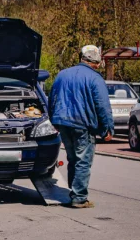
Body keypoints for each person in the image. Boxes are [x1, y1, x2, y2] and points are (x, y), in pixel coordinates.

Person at [49, 45, 114, 209]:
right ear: (97, 62)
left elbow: (52, 98)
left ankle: (74, 192)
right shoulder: (95, 78)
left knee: (72, 159)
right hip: (83, 124)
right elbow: (102, 106)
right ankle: (78, 197)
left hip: (63, 123)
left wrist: (53, 120)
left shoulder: (63, 74)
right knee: (83, 161)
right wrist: (107, 128)